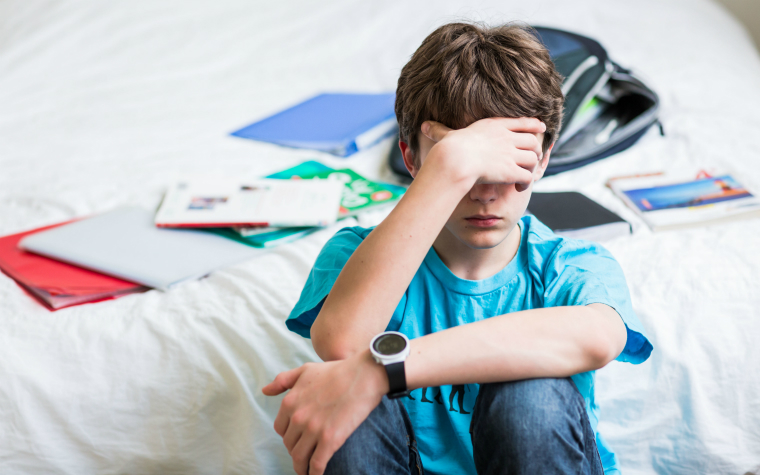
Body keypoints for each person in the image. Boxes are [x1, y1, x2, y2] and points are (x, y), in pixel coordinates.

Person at [263, 22, 653, 475]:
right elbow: (342, 343)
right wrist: (446, 168)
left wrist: (380, 370)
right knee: (352, 407)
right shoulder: (356, 254)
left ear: (542, 158)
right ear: (411, 160)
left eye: (508, 165)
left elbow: (596, 338)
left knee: (527, 395)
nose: (485, 192)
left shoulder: (571, 265)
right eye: (467, 169)